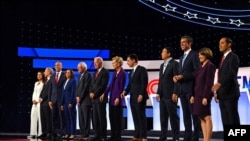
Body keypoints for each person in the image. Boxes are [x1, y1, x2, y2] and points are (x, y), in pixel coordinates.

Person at [173, 35, 201, 141]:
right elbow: (181, 72)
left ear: (190, 43)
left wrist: (183, 76)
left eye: (184, 42)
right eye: (181, 42)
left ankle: (195, 138)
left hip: (191, 89)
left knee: (194, 115)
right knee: (186, 116)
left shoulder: (194, 55)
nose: (182, 44)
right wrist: (177, 78)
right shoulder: (181, 57)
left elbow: (197, 72)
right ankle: (187, 137)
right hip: (182, 90)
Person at [211, 37, 240, 127]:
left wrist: (220, 84)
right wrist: (217, 93)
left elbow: (231, 74)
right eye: (219, 43)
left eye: (222, 43)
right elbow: (221, 76)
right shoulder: (223, 58)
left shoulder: (233, 57)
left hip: (230, 93)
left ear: (229, 44)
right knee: (225, 120)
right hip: (222, 94)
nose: (220, 45)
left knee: (232, 119)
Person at [190, 48, 216, 141]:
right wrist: (192, 95)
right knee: (201, 118)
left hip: (204, 95)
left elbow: (209, 82)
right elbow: (196, 82)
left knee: (207, 117)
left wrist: (206, 96)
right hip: (197, 95)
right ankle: (205, 138)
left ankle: (207, 139)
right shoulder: (200, 67)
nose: (199, 56)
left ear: (207, 55)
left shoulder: (210, 65)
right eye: (199, 55)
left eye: (202, 54)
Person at [121, 53, 148, 141]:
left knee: (141, 116)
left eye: (128, 60)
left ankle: (143, 136)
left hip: (140, 96)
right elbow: (130, 84)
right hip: (132, 97)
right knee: (135, 116)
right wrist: (125, 91)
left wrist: (141, 94)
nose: (127, 62)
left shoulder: (142, 69)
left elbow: (144, 83)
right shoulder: (131, 72)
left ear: (133, 60)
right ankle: (137, 135)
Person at [156, 47, 180, 141]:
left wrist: (175, 92)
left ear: (169, 54)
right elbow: (160, 80)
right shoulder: (162, 65)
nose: (161, 53)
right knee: (163, 118)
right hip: (162, 95)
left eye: (163, 52)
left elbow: (177, 80)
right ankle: (163, 136)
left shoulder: (175, 64)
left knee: (173, 117)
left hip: (171, 95)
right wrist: (158, 93)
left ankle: (176, 137)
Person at [101, 56, 126, 141]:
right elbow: (111, 85)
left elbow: (122, 87)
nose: (113, 64)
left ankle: (117, 137)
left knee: (117, 119)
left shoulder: (123, 73)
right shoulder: (115, 73)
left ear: (119, 63)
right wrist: (104, 94)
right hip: (112, 99)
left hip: (117, 99)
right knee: (112, 118)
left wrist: (118, 97)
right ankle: (113, 136)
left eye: (114, 63)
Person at [90, 57, 110, 141]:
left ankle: (103, 135)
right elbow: (91, 84)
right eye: (94, 62)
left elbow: (103, 85)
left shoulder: (105, 72)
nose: (95, 64)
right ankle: (97, 134)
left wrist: (95, 94)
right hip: (94, 99)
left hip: (100, 98)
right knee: (95, 118)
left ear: (101, 62)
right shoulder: (95, 73)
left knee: (101, 118)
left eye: (96, 62)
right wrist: (91, 92)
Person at [48, 61, 66, 138]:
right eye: (55, 65)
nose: (56, 66)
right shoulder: (52, 76)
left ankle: (63, 132)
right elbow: (50, 89)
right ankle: (54, 132)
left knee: (62, 117)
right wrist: (49, 100)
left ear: (61, 66)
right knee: (54, 117)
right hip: (53, 100)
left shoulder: (65, 74)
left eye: (58, 65)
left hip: (62, 99)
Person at [76, 62, 92, 140]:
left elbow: (85, 88)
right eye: (78, 67)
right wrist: (77, 97)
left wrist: (80, 97)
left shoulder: (87, 75)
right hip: (80, 101)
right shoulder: (80, 76)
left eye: (79, 67)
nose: (78, 69)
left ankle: (86, 134)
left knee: (86, 119)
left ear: (84, 68)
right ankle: (82, 133)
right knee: (81, 118)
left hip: (85, 100)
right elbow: (78, 88)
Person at [60, 69, 76, 140]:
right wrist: (61, 104)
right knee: (67, 119)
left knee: (72, 118)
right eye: (66, 72)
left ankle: (73, 133)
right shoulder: (65, 82)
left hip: (70, 102)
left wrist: (71, 102)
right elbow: (63, 94)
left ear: (71, 74)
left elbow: (73, 92)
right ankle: (68, 133)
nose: (67, 73)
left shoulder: (73, 81)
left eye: (69, 72)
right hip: (65, 103)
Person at [30, 71, 45, 138]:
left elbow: (43, 93)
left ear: (42, 75)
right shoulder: (36, 83)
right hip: (34, 103)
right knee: (33, 117)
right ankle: (33, 133)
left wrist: (38, 100)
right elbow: (34, 92)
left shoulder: (44, 83)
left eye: (40, 75)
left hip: (39, 103)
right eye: (37, 74)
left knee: (40, 118)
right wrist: (33, 100)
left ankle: (40, 133)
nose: (38, 76)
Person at [39, 67, 53, 139]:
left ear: (49, 72)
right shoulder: (46, 81)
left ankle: (48, 132)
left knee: (48, 118)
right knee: (43, 118)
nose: (44, 73)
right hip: (42, 103)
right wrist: (40, 97)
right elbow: (43, 91)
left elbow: (48, 92)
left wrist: (42, 98)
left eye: (45, 71)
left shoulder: (51, 80)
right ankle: (44, 132)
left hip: (47, 102)